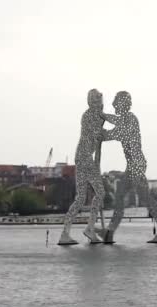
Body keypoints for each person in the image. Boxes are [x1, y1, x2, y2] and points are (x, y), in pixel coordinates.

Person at [95, 91, 157, 243]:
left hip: (137, 164)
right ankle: (110, 232)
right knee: (123, 197)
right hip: (133, 165)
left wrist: (102, 128)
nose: (114, 104)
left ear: (122, 104)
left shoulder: (131, 119)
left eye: (116, 102)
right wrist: (102, 119)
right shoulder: (124, 119)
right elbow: (115, 124)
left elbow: (118, 132)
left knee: (140, 197)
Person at [58, 89, 106, 245]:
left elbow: (98, 139)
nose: (101, 104)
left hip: (83, 158)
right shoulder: (89, 116)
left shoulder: (96, 116)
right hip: (84, 158)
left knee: (80, 198)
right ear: (93, 101)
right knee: (99, 192)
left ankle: (65, 233)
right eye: (99, 101)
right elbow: (96, 135)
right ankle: (89, 229)